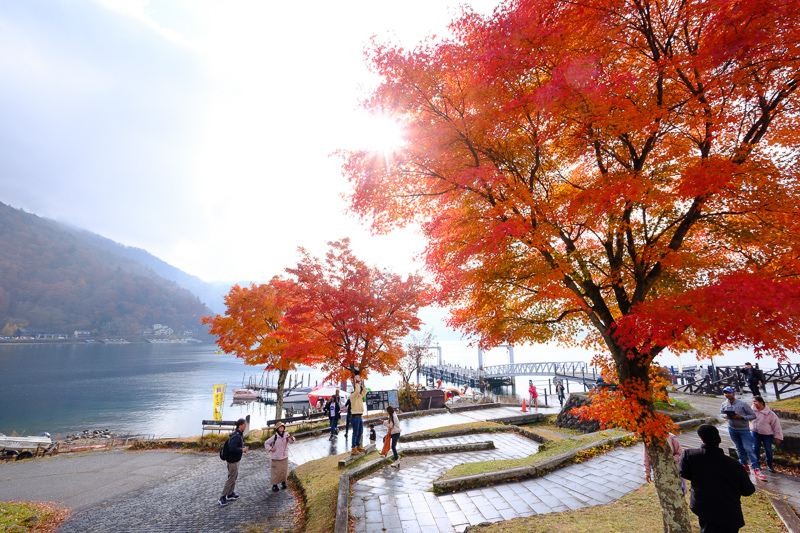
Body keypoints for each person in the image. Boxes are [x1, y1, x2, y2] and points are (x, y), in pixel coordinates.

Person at [679, 424, 755, 532]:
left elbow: (684, 473)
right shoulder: (734, 465)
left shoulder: (689, 456)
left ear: (701, 439)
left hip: (704, 507)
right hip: (729, 513)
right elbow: (748, 490)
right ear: (719, 440)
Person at [721, 386, 764, 480]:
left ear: (733, 393)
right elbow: (721, 414)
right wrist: (726, 416)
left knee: (748, 449)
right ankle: (744, 465)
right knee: (738, 448)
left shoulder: (743, 404)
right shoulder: (724, 404)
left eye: (728, 392)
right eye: (725, 393)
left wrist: (742, 417)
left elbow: (753, 415)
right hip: (732, 429)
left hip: (743, 429)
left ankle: (756, 468)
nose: (727, 394)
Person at [219, 418, 249, 507]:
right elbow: (232, 448)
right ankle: (222, 497)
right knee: (231, 478)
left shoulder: (239, 434)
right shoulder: (236, 435)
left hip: (236, 460)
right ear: (240, 426)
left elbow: (238, 446)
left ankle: (230, 494)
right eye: (245, 424)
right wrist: (242, 449)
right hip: (232, 461)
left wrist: (243, 448)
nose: (246, 426)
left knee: (234, 477)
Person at [751, 395, 783, 473]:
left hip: (767, 434)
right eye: (753, 402)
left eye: (755, 401)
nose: (754, 403)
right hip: (755, 433)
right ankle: (756, 463)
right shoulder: (752, 411)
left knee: (768, 449)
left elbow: (776, 426)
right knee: (755, 448)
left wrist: (778, 436)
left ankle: (769, 464)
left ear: (761, 402)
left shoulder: (770, 414)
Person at [264, 422, 295, 492]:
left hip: (284, 456)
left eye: (282, 427)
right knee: (276, 472)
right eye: (280, 427)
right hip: (276, 456)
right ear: (277, 429)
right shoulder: (275, 436)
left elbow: (291, 441)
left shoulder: (286, 434)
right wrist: (270, 449)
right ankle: (274, 485)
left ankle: (283, 482)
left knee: (284, 470)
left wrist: (292, 438)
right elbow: (266, 443)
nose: (281, 428)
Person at [349, 372, 367, 454]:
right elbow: (356, 391)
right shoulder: (352, 396)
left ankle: (358, 445)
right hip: (355, 417)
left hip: (360, 416)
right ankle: (353, 447)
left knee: (360, 432)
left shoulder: (359, 397)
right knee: (355, 432)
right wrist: (356, 382)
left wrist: (361, 384)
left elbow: (365, 391)